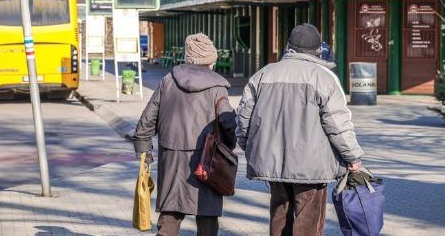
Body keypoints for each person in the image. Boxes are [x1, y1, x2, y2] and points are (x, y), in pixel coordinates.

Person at [236, 23, 364, 236]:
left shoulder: (263, 75)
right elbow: (338, 124)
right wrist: (352, 157)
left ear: (288, 46)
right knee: (308, 222)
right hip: (312, 167)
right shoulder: (324, 78)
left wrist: (252, 149)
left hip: (273, 163)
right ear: (317, 50)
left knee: (279, 216)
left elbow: (243, 120)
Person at [134, 33, 236, 236]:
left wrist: (144, 153)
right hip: (207, 161)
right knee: (207, 219)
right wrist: (229, 146)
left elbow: (145, 123)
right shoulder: (218, 87)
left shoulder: (168, 80)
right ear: (210, 60)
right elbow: (229, 123)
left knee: (170, 218)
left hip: (171, 158)